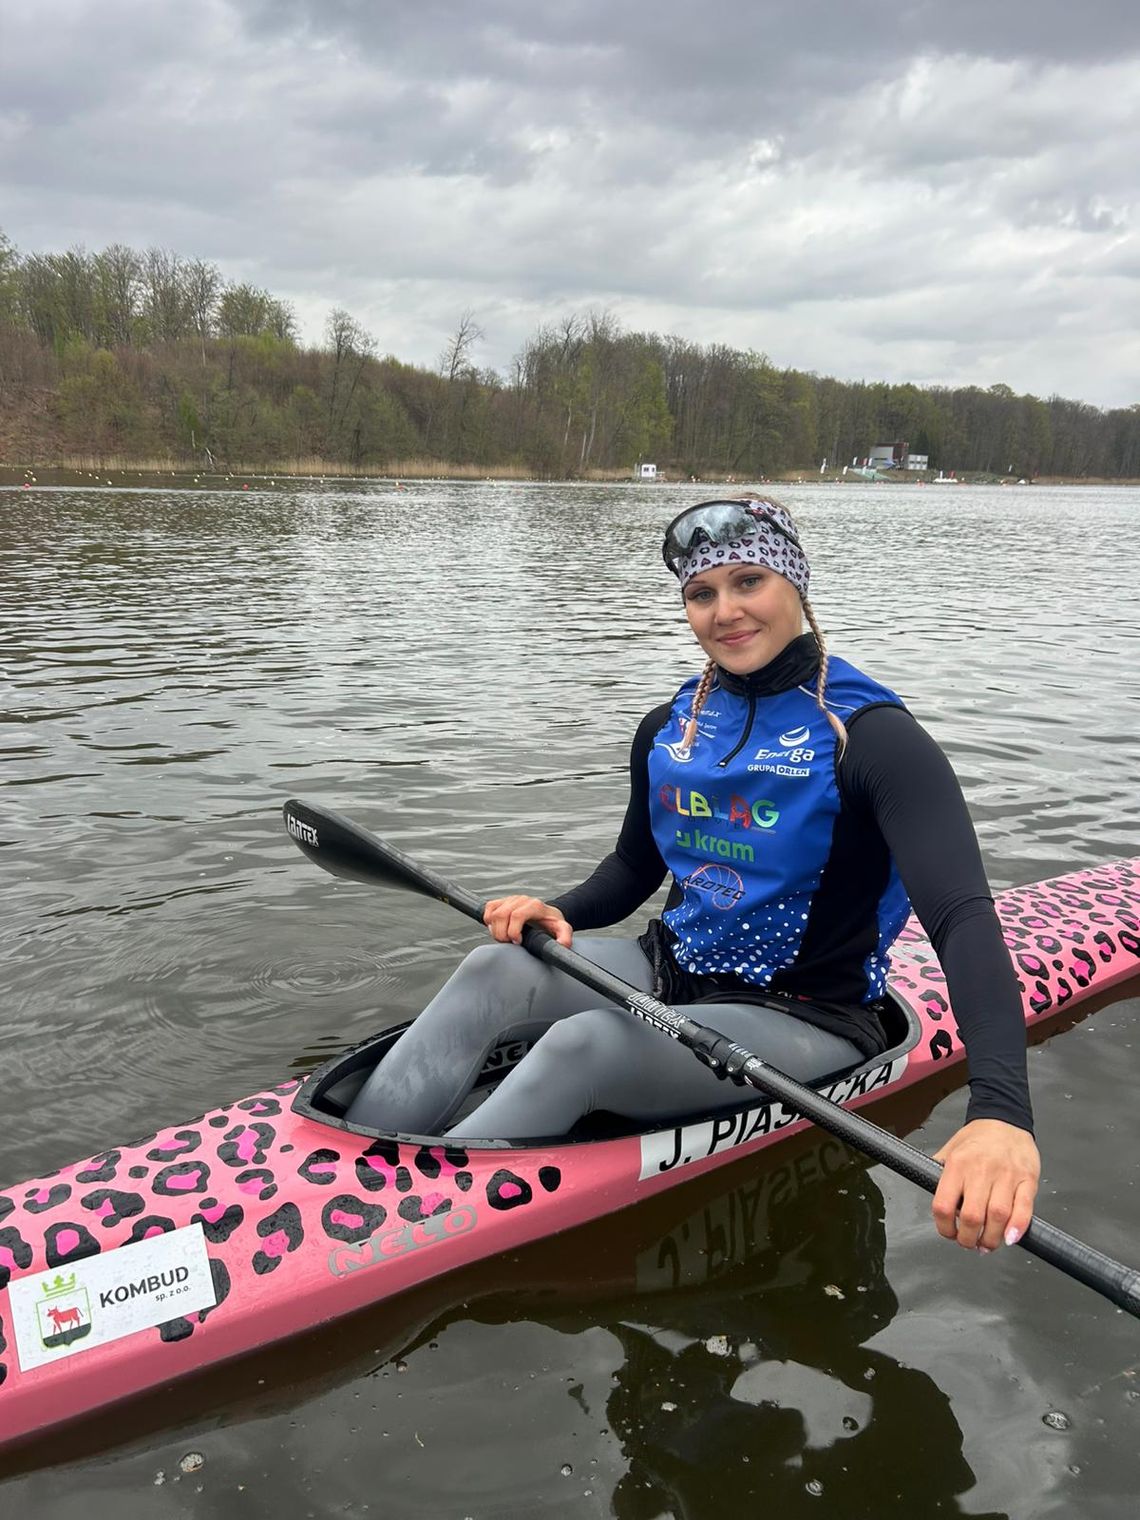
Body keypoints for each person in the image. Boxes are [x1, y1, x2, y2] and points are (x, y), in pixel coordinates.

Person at [347, 497, 1040, 1253]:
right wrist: (556, 909)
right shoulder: (669, 728)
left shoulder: (872, 738)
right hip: (672, 969)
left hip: (806, 1014)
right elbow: (634, 867)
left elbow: (963, 918)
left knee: (585, 1048)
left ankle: (400, 1226)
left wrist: (1000, 1112)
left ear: (796, 588)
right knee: (493, 968)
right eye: (701, 594)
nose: (726, 611)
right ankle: (349, 1160)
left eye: (750, 582)